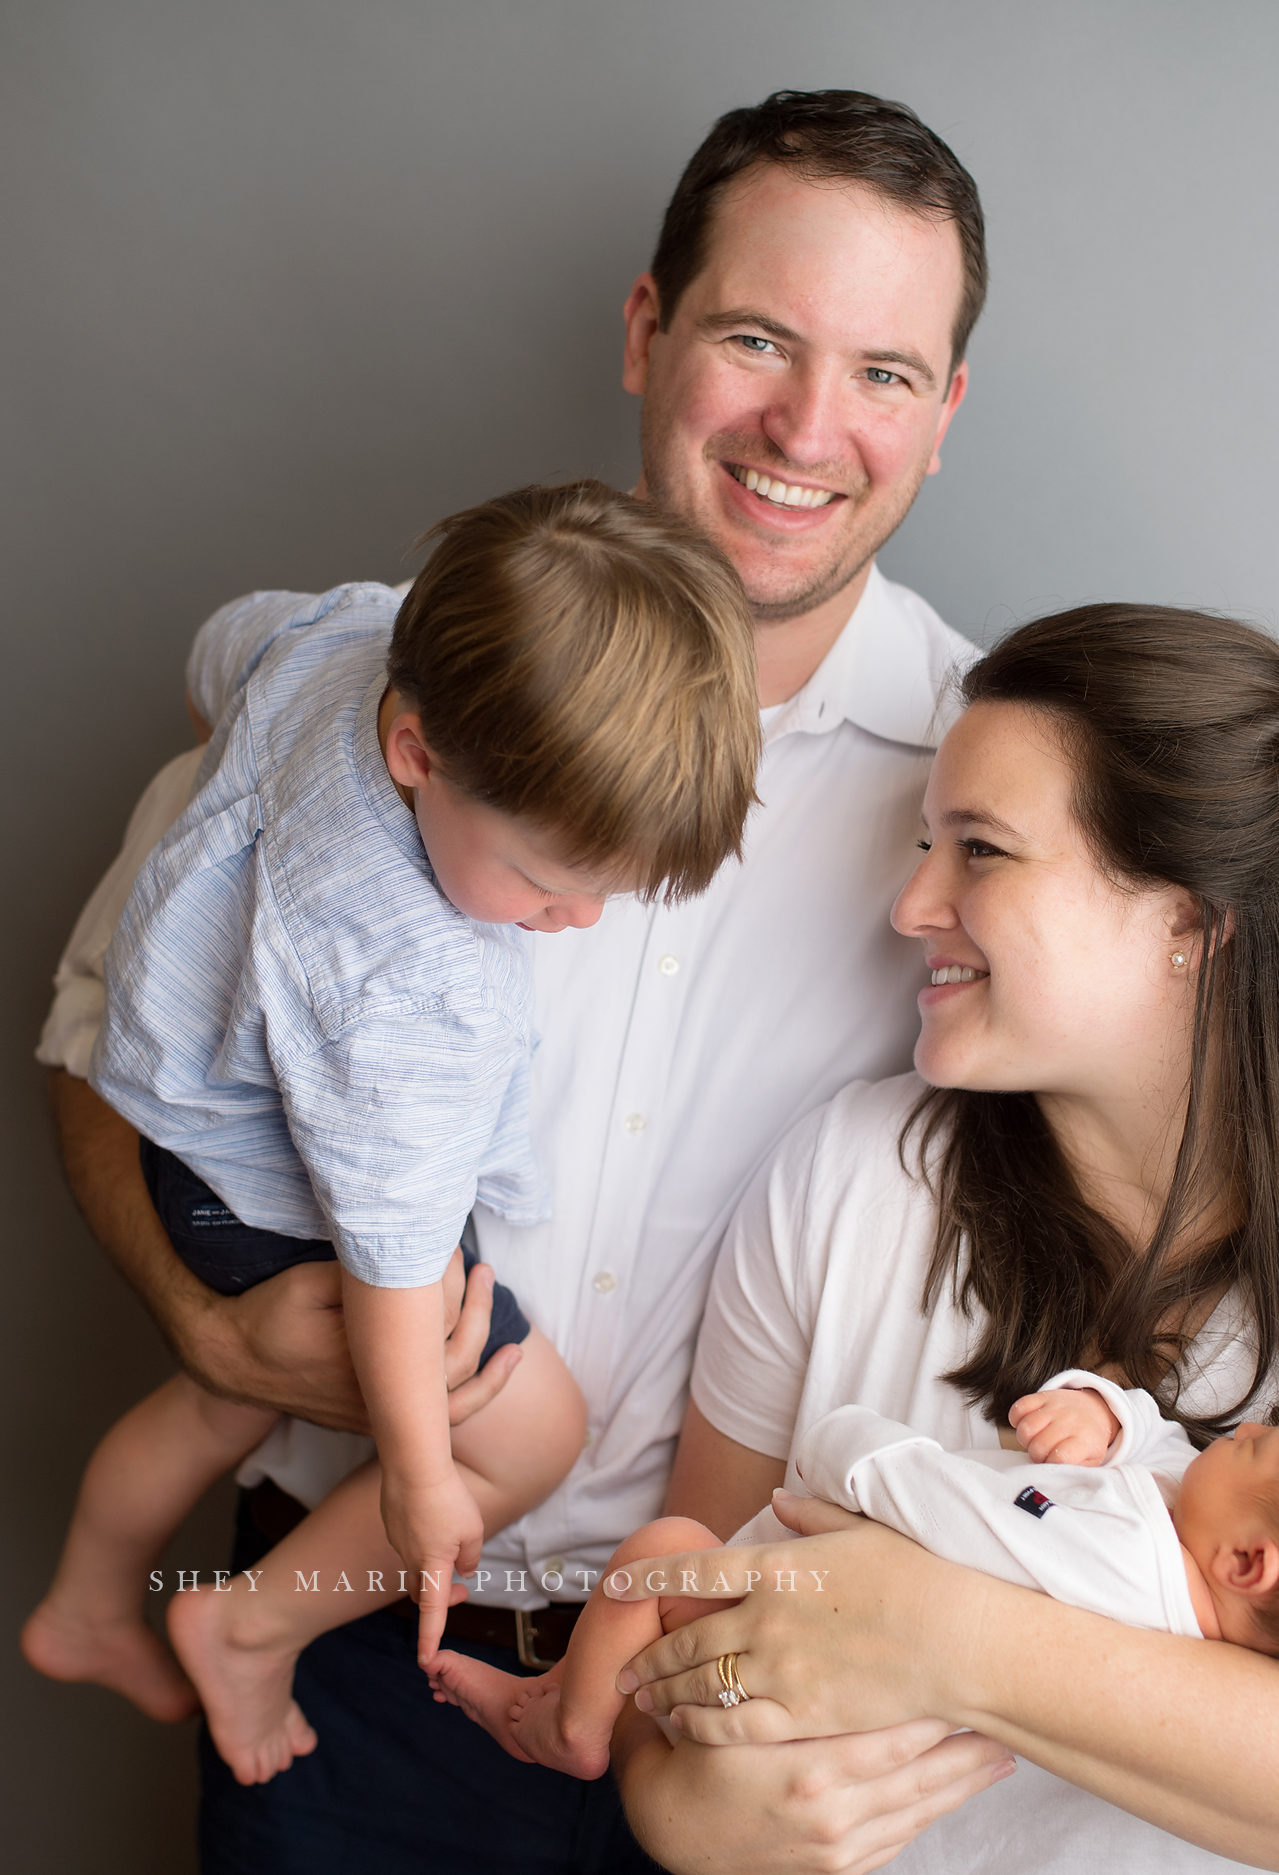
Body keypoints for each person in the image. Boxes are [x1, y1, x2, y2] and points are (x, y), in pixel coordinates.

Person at [37, 91, 1005, 1873]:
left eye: (883, 372)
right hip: (345, 1669)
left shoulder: (999, 792)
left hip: (728, 1705)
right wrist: (197, 1321)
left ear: (943, 419)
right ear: (647, 334)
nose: (807, 426)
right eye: (754, 339)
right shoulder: (382, 688)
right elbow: (107, 1059)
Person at [601, 604, 1279, 1874]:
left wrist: (943, 1638)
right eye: (927, 843)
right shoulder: (847, 1174)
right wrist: (678, 1813)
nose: (912, 905)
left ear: (1191, 922)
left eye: (981, 851)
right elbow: (676, 1612)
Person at [24, 482, 762, 1788]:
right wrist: (425, 1479)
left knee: (215, 1398)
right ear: (419, 750)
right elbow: (394, 1249)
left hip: (179, 1112)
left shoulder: (347, 635)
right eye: (547, 880)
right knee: (529, 1427)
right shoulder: (415, 990)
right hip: (270, 1184)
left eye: (606, 892)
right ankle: (248, 1621)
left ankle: (84, 1600)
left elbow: (217, 656)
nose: (574, 923)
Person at [422, 1370, 1279, 1777]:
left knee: (660, 1560)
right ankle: (558, 1697)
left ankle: (569, 1723)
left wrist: (851, 1448)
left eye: (1264, 1447)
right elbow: (1158, 1457)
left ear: (1250, 1562)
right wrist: (1109, 1413)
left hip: (812, 1600)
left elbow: (965, 1512)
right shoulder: (1180, 1570)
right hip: (858, 1653)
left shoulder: (1112, 1558)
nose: (1247, 1429)